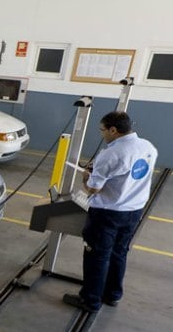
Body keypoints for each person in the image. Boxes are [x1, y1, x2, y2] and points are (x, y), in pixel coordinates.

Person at [63, 111, 157, 312]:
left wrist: (87, 177)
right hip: (134, 210)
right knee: (119, 253)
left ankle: (90, 300)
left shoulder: (111, 153)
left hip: (108, 213)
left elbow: (94, 188)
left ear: (113, 130)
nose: (102, 134)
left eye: (103, 130)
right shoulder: (148, 147)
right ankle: (113, 295)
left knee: (97, 256)